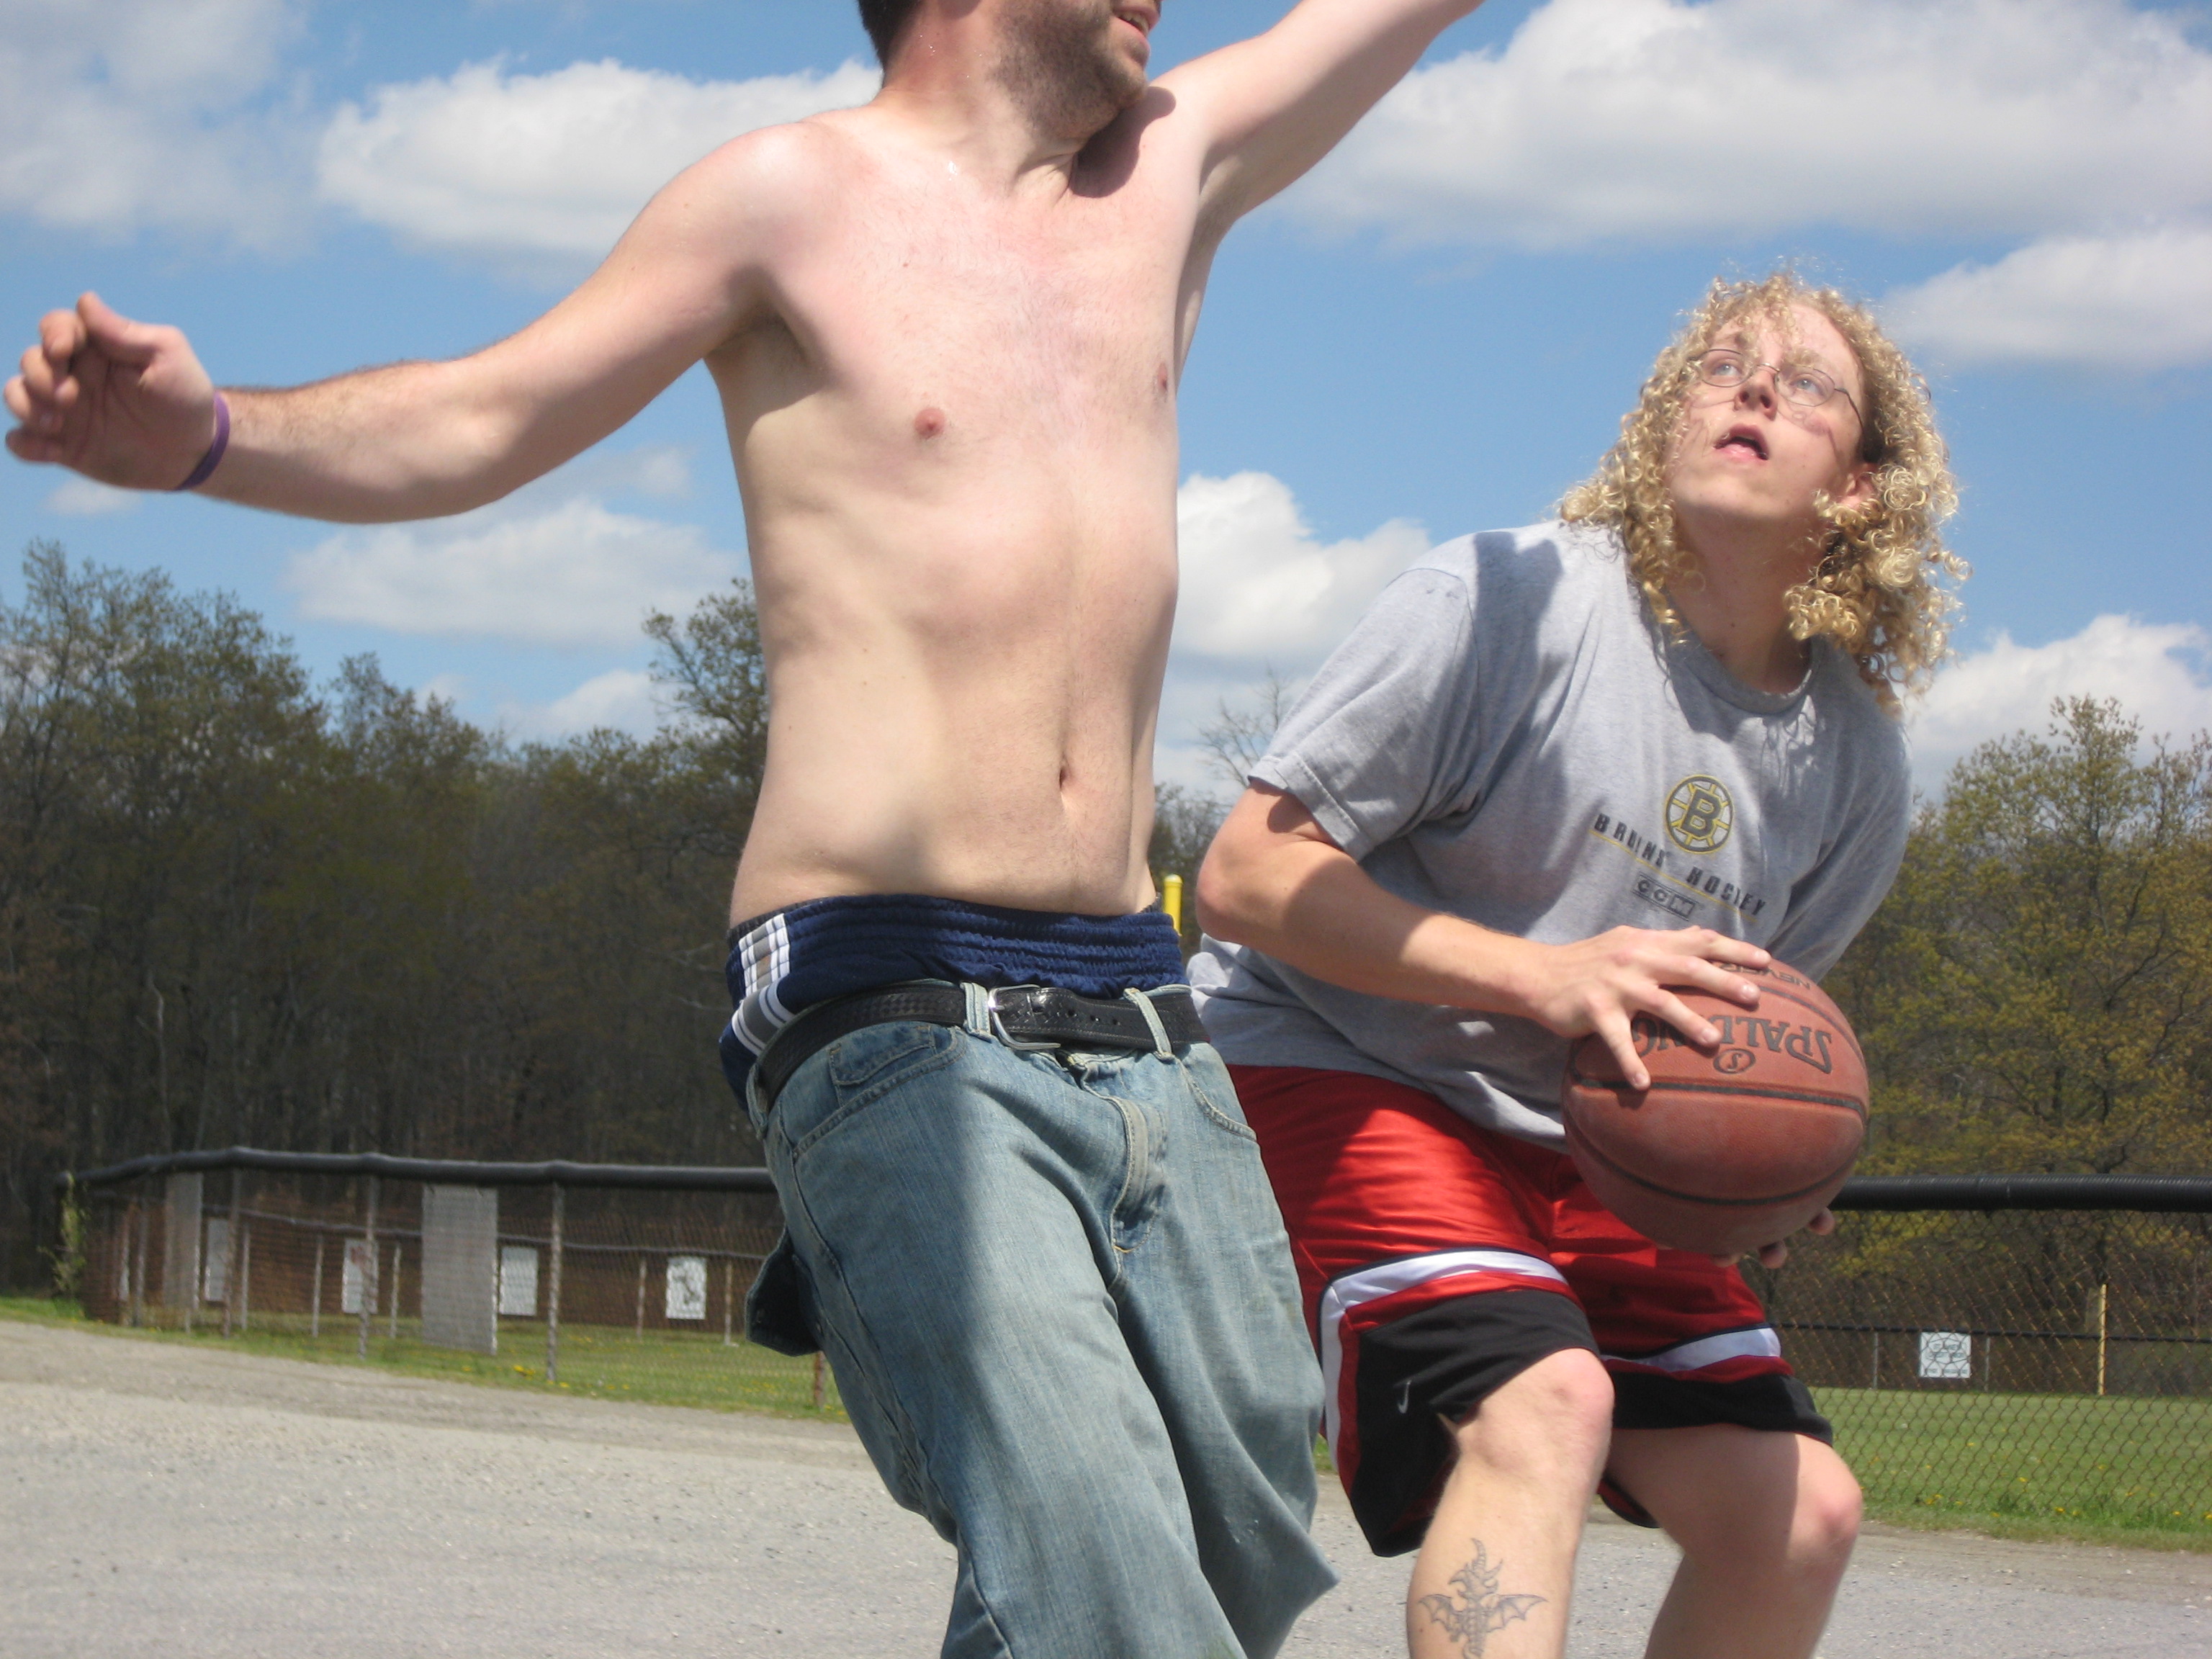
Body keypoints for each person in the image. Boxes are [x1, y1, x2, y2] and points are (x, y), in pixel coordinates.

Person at [7, 3, 1493, 1653]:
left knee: (1231, 1542)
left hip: (1145, 1009)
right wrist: (212, 438)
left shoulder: (1166, 171)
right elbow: (485, 418)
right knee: (1097, 1567)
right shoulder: (784, 199)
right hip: (892, 1001)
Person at [1189, 270, 1964, 1659]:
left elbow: (1742, 1034)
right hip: (1338, 1060)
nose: (1754, 387)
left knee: (1800, 1516)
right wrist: (1540, 979)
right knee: (1549, 1406)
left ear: (1859, 493)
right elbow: (1246, 877)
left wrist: (1771, 1170)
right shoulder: (1502, 602)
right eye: (1723, 365)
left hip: (1582, 1139)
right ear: (1663, 426)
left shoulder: (1852, 764)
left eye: (1808, 384)